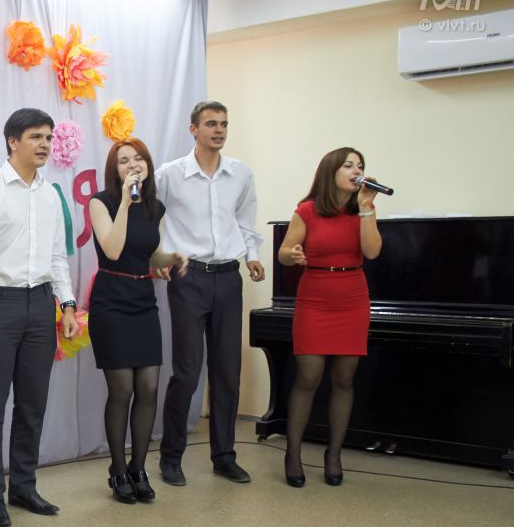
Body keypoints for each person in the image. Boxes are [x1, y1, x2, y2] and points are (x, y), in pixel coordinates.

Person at [0, 108, 78, 527]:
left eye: (48, 137)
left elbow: (57, 256)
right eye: (35, 137)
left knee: (33, 404)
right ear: (13, 142)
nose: (45, 144)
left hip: (41, 304)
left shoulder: (50, 195)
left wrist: (67, 305)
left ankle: (24, 486)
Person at [156, 100, 265, 487]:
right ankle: (171, 458)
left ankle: (224, 457)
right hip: (189, 278)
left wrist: (252, 256)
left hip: (228, 278)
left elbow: (245, 220)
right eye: (211, 124)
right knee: (187, 372)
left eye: (224, 124)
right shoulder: (171, 174)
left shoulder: (240, 173)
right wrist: (158, 255)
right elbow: (145, 216)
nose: (219, 130)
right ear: (194, 129)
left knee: (227, 372)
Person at [88, 139, 188, 505]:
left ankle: (138, 468)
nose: (133, 165)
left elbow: (148, 255)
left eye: (139, 159)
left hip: (143, 301)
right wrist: (126, 205)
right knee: (122, 390)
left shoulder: (155, 207)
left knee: (148, 387)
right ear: (114, 170)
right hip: (111, 302)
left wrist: (170, 257)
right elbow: (113, 249)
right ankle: (117, 469)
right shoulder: (101, 202)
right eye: (124, 161)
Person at [277, 147, 382, 486]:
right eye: (349, 165)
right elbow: (283, 253)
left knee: (345, 378)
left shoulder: (364, 209)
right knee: (308, 376)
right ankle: (293, 454)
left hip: (352, 297)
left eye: (360, 165)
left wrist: (366, 208)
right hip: (315, 298)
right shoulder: (307, 210)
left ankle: (334, 454)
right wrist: (293, 254)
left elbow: (372, 251)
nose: (356, 170)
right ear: (331, 172)